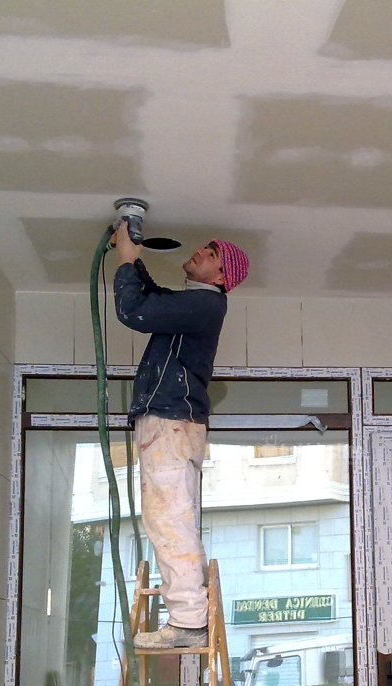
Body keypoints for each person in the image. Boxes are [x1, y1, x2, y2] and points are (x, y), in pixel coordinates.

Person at [112, 222, 249, 649]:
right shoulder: (196, 305)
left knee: (169, 517)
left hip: (170, 420)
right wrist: (135, 261)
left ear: (222, 277)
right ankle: (187, 615)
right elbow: (156, 301)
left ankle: (189, 620)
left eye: (210, 253)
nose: (198, 252)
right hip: (173, 420)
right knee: (169, 515)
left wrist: (127, 262)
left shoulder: (206, 305)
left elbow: (135, 312)